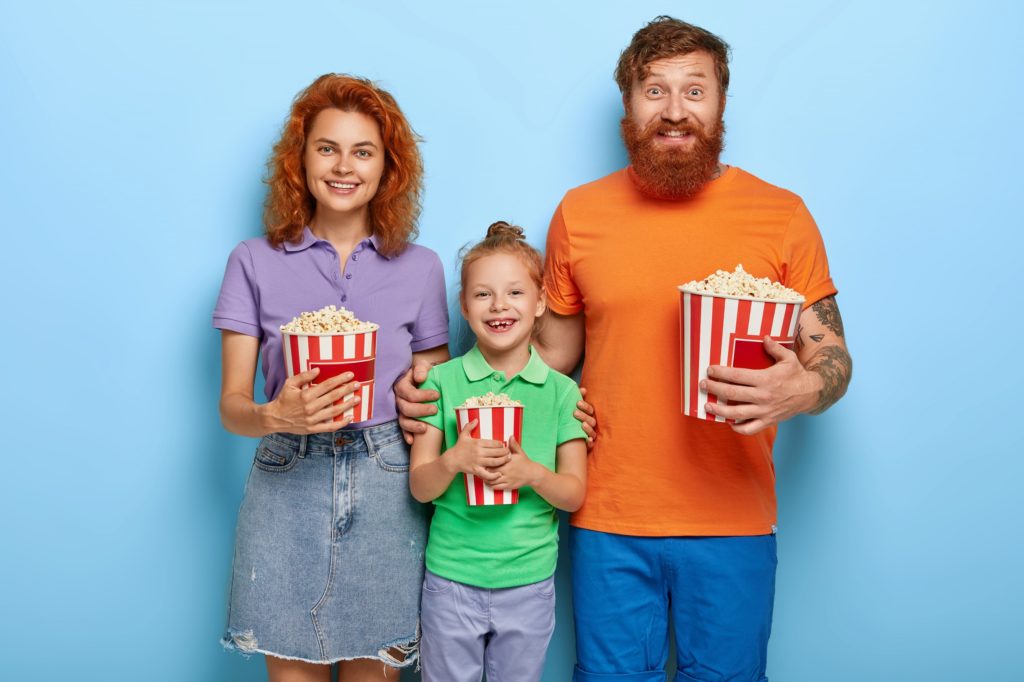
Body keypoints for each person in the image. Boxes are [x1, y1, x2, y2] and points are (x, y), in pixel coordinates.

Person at [398, 16, 852, 682]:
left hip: (733, 516)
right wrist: (439, 387)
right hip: (606, 514)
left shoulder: (779, 214)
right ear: (628, 106)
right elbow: (545, 354)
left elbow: (832, 357)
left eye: (694, 91)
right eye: (654, 91)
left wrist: (803, 388)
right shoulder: (581, 214)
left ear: (721, 103)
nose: (674, 111)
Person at [213, 74, 449, 681]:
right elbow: (232, 406)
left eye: (363, 151)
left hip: (387, 482)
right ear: (301, 160)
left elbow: (438, 396)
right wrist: (273, 416)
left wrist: (420, 396)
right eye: (327, 148)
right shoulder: (252, 261)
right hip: (287, 478)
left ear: (386, 168)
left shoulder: (421, 269)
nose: (344, 166)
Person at [409, 222, 588, 682]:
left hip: (528, 582)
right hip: (451, 579)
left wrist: (531, 473)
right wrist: (454, 459)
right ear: (465, 308)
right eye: (483, 295)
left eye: (515, 292)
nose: (500, 306)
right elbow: (421, 488)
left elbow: (573, 494)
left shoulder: (562, 393)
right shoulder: (441, 383)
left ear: (541, 302)